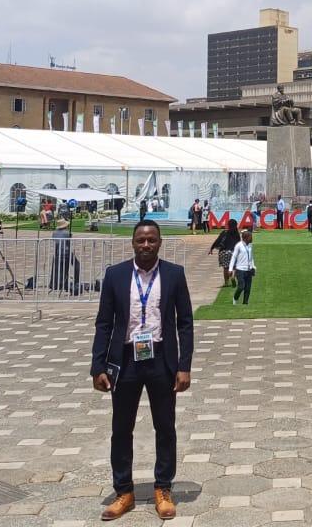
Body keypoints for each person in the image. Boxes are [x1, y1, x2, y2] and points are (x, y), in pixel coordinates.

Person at [90, 220, 193, 521]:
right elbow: (104, 323)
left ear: (160, 242)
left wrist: (184, 366)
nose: (146, 245)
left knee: (165, 426)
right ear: (132, 243)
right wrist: (97, 365)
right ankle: (124, 490)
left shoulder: (174, 274)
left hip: (161, 360)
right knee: (121, 429)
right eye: (140, 240)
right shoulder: (116, 275)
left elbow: (185, 323)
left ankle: (163, 487)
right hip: (125, 360)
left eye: (151, 240)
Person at [209, 223, 241, 288]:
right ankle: (233, 276)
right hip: (233, 252)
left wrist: (212, 248)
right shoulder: (236, 233)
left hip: (224, 252)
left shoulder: (224, 232)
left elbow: (218, 240)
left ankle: (226, 282)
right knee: (235, 267)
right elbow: (239, 243)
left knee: (226, 268)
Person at [230, 230, 256, 305]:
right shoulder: (239, 245)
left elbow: (251, 257)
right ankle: (235, 298)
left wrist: (253, 266)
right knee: (241, 286)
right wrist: (230, 269)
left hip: (249, 270)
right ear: (245, 238)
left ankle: (245, 303)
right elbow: (234, 257)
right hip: (240, 270)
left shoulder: (250, 245)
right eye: (250, 237)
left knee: (248, 288)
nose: (252, 238)